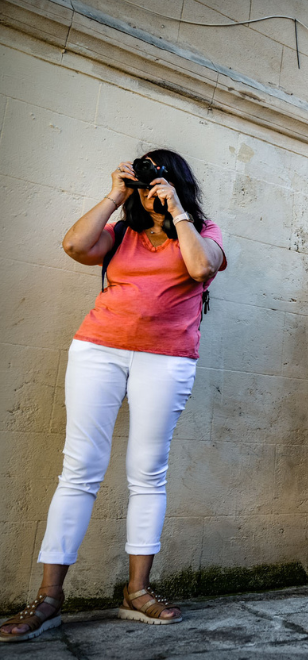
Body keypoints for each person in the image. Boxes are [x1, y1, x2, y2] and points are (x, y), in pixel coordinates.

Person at [0, 151, 226, 642]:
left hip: (166, 359)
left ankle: (137, 591)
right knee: (79, 467)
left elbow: (201, 268)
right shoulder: (122, 234)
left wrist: (177, 211)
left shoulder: (204, 233)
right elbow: (75, 245)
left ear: (178, 185)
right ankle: (49, 597)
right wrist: (115, 195)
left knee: (148, 471)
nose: (150, 190)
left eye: (159, 181)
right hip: (98, 350)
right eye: (144, 182)